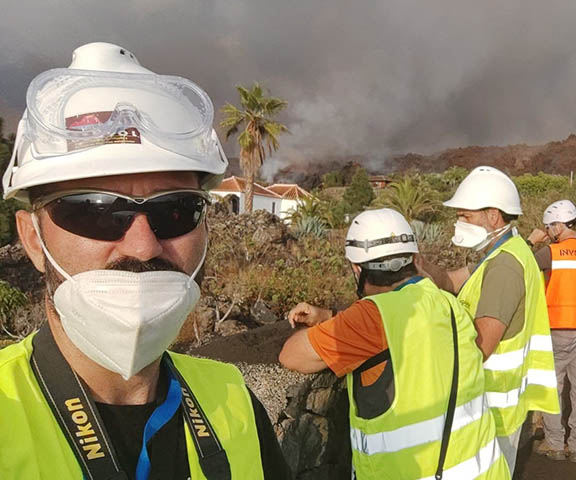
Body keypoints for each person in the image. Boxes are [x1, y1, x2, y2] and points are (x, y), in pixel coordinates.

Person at [0, 43, 289, 479]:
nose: (143, 246)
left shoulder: (233, 400)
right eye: (95, 211)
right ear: (32, 239)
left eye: (175, 210)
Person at [278, 208, 510, 479]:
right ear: (415, 259)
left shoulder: (372, 317)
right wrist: (332, 317)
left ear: (356, 268)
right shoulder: (445, 301)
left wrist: (331, 324)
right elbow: (401, 327)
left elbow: (291, 356)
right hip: (484, 469)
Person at [416, 166, 559, 475]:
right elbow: (452, 282)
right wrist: (418, 264)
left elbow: (481, 344)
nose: (459, 222)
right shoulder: (501, 252)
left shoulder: (505, 267)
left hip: (492, 406)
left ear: (493, 216)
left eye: (465, 216)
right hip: (495, 402)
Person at [526, 200, 576, 463]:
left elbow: (520, 268)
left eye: (550, 227)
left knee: (553, 387)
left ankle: (555, 442)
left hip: (558, 329)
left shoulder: (552, 252)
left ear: (559, 226)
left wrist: (530, 241)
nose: (548, 231)